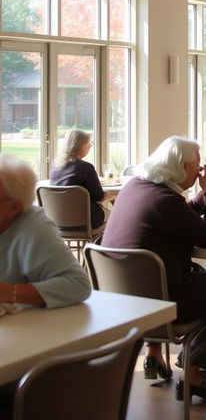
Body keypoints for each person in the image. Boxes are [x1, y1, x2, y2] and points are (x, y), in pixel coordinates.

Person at [101, 136, 206, 403]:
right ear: (182, 167)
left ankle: (157, 354)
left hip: (119, 295)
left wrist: (200, 200)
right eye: (196, 165)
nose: (200, 171)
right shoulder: (165, 202)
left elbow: (179, 215)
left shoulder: (137, 187)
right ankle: (192, 375)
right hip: (158, 303)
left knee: (185, 276)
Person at [0, 154, 92, 420]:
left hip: (21, 358)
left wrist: (8, 292)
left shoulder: (33, 227)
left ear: (14, 207)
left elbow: (77, 285)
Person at [49, 129, 107, 229]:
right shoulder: (87, 168)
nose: (90, 145)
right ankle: (102, 244)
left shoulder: (55, 166)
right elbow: (99, 197)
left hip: (57, 221)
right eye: (89, 142)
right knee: (114, 214)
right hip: (85, 222)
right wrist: (107, 195)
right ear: (81, 145)